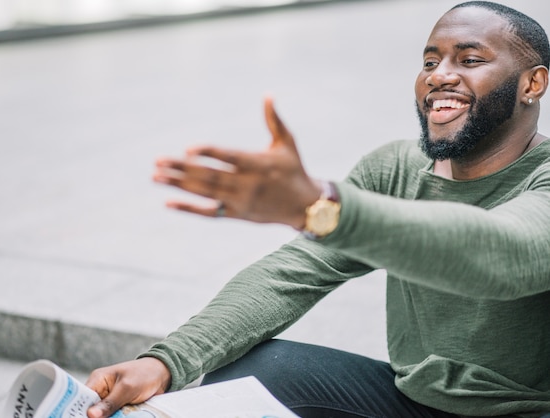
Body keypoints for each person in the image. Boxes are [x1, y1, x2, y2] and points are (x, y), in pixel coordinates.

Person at [86, 1, 550, 417]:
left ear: (532, 82)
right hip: (416, 400)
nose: (439, 75)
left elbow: (501, 254)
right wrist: (165, 361)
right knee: (257, 370)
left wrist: (323, 206)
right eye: (430, 60)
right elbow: (291, 273)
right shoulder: (395, 168)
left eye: (469, 60)